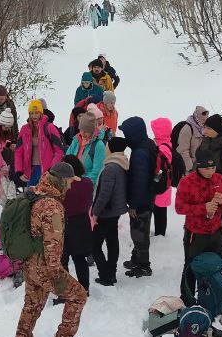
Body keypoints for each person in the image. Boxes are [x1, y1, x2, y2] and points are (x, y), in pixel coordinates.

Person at [14, 163, 89, 337]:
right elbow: (52, 243)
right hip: (45, 266)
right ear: (61, 181)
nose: (70, 186)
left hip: (30, 262)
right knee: (79, 295)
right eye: (69, 182)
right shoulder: (52, 207)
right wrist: (56, 273)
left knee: (32, 305)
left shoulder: (37, 192)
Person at [175, 150, 222, 305]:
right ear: (198, 166)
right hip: (196, 233)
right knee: (190, 266)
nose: (210, 171)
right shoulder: (187, 182)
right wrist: (203, 208)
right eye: (206, 168)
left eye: (213, 168)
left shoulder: (219, 179)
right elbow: (179, 208)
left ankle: (214, 295)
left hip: (217, 232)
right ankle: (187, 298)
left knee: (216, 265)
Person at [90, 137, 129, 286]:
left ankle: (105, 275)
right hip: (115, 210)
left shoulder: (111, 168)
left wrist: (95, 212)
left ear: (111, 149)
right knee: (112, 241)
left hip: (106, 211)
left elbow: (104, 194)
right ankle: (111, 272)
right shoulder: (122, 163)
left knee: (94, 245)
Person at [123, 117, 156, 278]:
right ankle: (136, 258)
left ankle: (144, 265)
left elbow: (139, 181)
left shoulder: (140, 153)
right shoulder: (147, 144)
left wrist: (134, 204)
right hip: (147, 196)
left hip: (141, 200)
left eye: (126, 134)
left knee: (139, 232)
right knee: (138, 230)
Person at [61, 158, 95, 292]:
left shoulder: (64, 186)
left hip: (65, 224)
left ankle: (65, 292)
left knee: (63, 260)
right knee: (80, 259)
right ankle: (84, 289)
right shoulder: (88, 183)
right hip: (82, 223)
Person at [15, 100, 65, 187]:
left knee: (45, 195)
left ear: (41, 113)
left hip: (47, 172)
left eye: (36, 113)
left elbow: (59, 151)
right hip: (30, 171)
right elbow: (18, 151)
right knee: (31, 195)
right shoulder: (24, 129)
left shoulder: (50, 127)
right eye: (32, 113)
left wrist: (51, 170)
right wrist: (19, 171)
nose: (34, 116)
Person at [66, 109, 107, 183]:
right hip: (71, 181)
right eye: (81, 129)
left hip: (86, 184)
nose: (83, 133)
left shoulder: (98, 145)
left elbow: (97, 171)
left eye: (87, 131)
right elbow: (67, 158)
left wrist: (82, 182)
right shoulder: (76, 140)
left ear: (92, 131)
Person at [150, 117, 175, 236]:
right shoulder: (167, 143)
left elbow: (159, 167)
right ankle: (160, 233)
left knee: (159, 211)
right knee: (160, 210)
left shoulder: (162, 147)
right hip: (165, 184)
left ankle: (160, 234)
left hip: (161, 184)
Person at [176, 106, 209, 174]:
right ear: (197, 117)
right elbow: (183, 151)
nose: (204, 122)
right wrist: (191, 169)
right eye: (202, 120)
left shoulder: (204, 129)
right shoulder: (187, 129)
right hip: (191, 170)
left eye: (205, 120)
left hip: (203, 168)